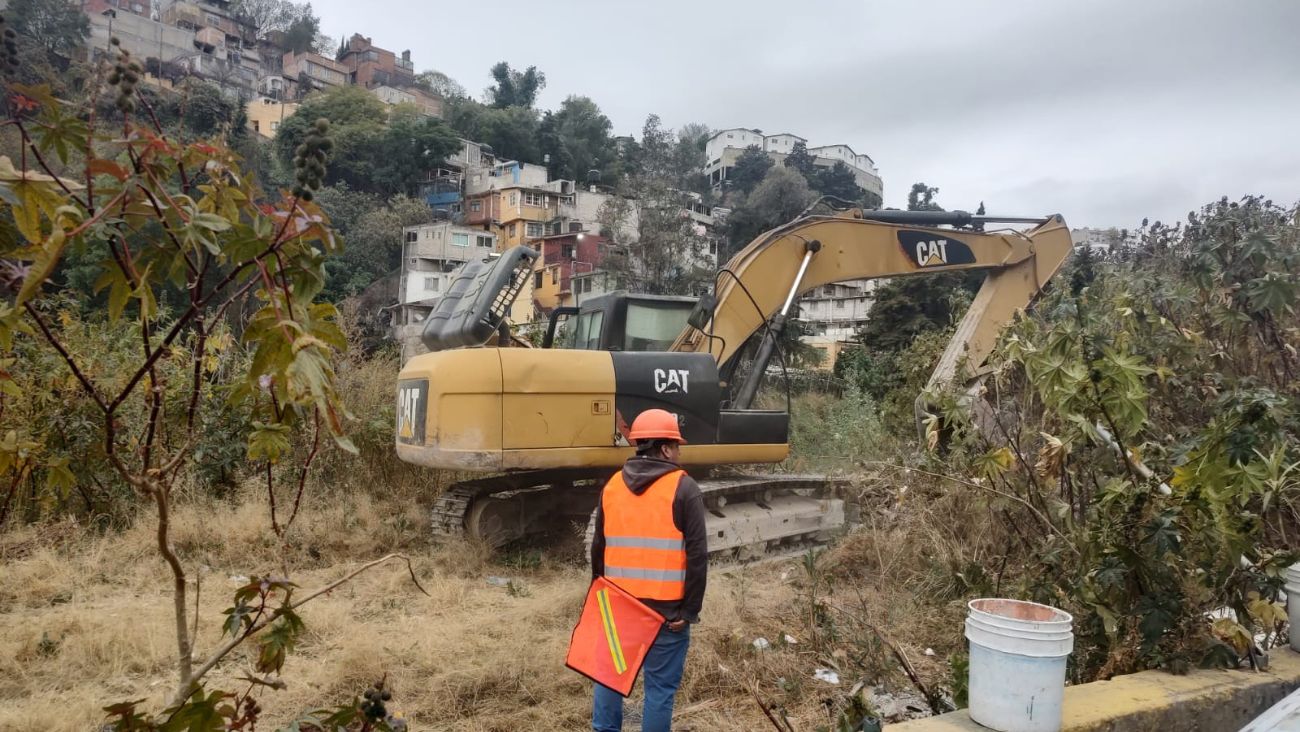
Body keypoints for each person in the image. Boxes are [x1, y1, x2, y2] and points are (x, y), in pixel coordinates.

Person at [590, 408, 708, 732]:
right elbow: (698, 555)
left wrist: (599, 599)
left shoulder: (612, 486)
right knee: (658, 692)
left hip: (617, 606)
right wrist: (690, 610)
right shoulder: (684, 489)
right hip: (667, 615)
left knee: (610, 679)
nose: (680, 454)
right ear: (667, 448)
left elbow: (598, 548)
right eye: (677, 446)